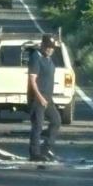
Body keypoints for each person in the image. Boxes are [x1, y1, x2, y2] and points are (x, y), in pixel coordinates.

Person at [28, 34, 62, 162]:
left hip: (48, 97)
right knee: (38, 126)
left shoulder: (49, 59)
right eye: (48, 47)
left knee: (56, 121)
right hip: (38, 98)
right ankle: (34, 153)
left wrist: (47, 98)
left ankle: (45, 148)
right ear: (42, 45)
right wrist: (40, 97)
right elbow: (32, 80)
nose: (50, 49)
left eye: (52, 47)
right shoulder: (36, 58)